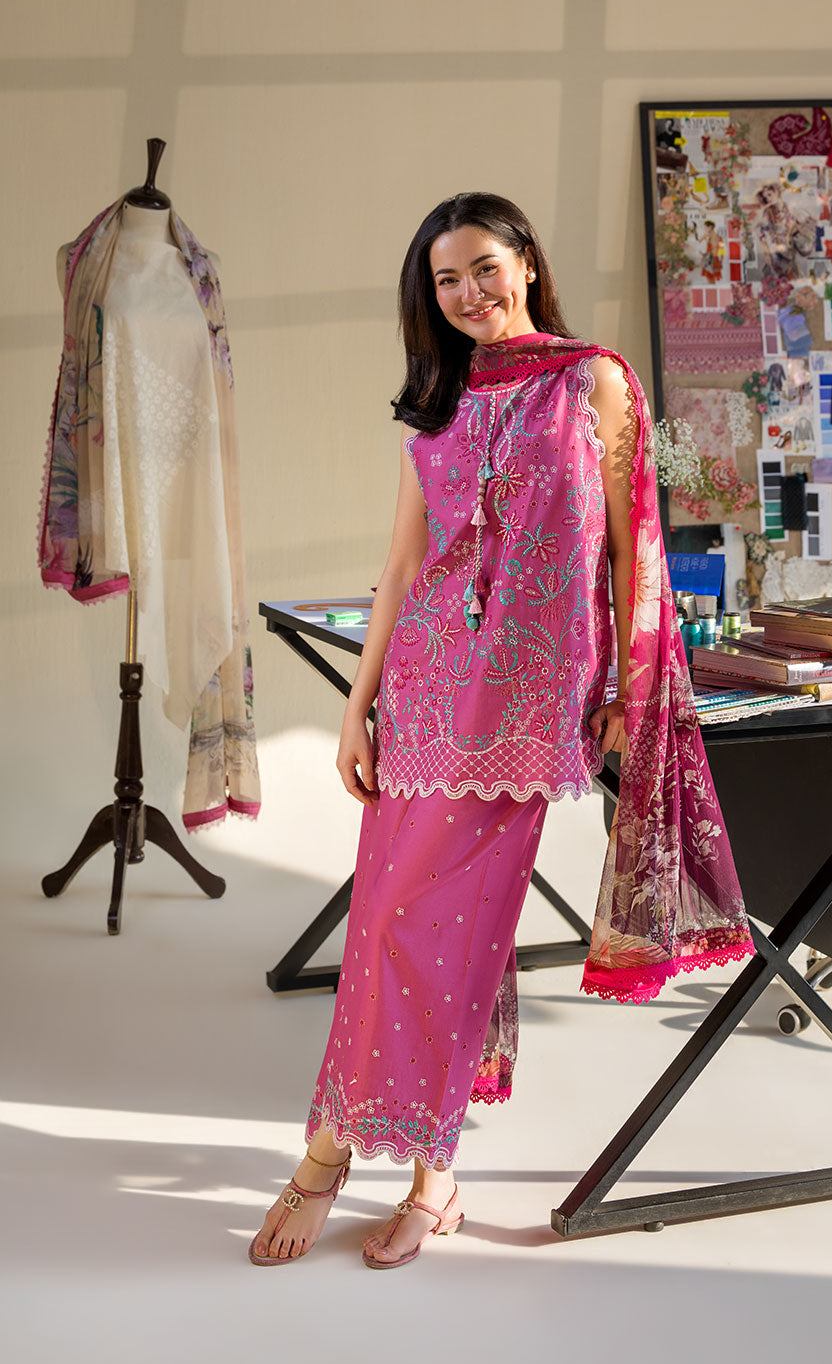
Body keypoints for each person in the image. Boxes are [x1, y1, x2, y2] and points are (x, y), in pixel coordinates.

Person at [249, 193, 752, 1271]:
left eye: (485, 267)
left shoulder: (593, 381)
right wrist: (357, 705)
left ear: (525, 262)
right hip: (424, 693)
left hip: (524, 703)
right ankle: (431, 1182)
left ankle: (330, 1156)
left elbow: (632, 546)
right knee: (391, 921)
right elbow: (401, 565)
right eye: (447, 280)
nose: (469, 293)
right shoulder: (438, 400)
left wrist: (626, 688)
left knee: (432, 928)